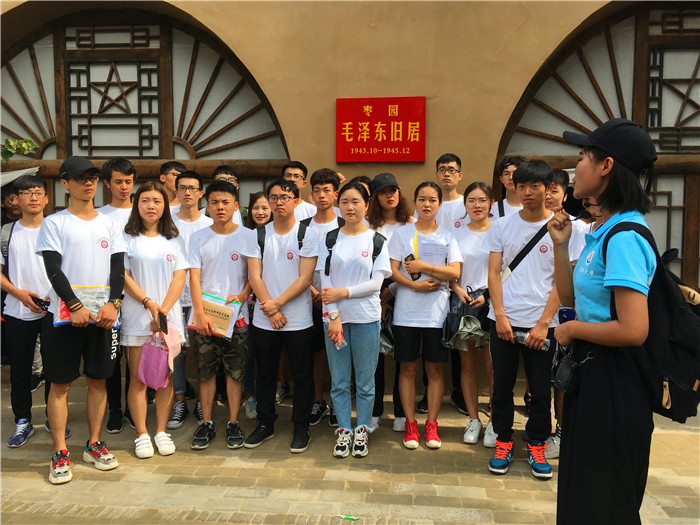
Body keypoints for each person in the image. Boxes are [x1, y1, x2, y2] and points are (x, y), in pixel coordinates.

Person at [548, 119, 658, 524]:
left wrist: (572, 329)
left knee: (604, 500)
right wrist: (561, 248)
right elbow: (571, 299)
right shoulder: (602, 230)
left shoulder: (625, 237)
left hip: (615, 383)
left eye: (582, 157)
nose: (575, 167)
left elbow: (633, 329)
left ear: (606, 166)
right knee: (583, 492)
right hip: (593, 376)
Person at [36, 156, 126, 484]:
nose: (88, 183)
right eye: (80, 178)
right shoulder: (55, 223)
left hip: (103, 316)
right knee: (60, 384)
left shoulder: (110, 223)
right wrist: (74, 305)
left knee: (98, 380)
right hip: (64, 317)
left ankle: (94, 443)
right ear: (65, 183)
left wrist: (114, 303)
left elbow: (118, 268)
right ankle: (60, 450)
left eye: (93, 178)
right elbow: (53, 269)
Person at [486, 160, 576, 480]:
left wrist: (543, 323)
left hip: (543, 324)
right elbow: (493, 273)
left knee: (540, 388)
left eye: (534, 186)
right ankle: (503, 441)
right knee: (502, 386)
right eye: (521, 185)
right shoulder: (501, 226)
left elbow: (562, 281)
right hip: (503, 321)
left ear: (549, 188)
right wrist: (500, 315)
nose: (527, 192)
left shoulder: (562, 227)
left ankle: (537, 443)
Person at [243, 178, 317, 453]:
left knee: (302, 375)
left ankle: (301, 427)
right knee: (265, 374)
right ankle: (265, 423)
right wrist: (270, 308)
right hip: (265, 320)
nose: (278, 202)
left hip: (298, 319)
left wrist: (276, 305)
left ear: (296, 201)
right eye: (273, 197)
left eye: (284, 197)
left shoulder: (307, 234)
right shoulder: (258, 235)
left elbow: (305, 278)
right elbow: (255, 276)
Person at [318, 180, 391, 457]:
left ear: (367, 205)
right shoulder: (330, 239)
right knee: (338, 381)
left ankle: (362, 429)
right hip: (334, 320)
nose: (350, 207)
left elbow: (376, 284)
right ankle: (343, 430)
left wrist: (343, 292)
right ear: (339, 205)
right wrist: (334, 315)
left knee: (365, 381)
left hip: (366, 320)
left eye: (356, 201)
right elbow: (325, 280)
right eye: (345, 202)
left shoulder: (376, 241)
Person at [388, 181, 462, 450]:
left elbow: (454, 272)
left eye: (432, 200)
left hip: (436, 314)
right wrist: (415, 285)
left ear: (439, 205)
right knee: (407, 368)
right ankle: (410, 424)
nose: (426, 204)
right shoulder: (402, 234)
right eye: (421, 199)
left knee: (434, 369)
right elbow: (392, 270)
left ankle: (431, 424)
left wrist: (424, 266)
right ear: (415, 202)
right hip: (406, 314)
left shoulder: (448, 236)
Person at [121, 181, 186, 459]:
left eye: (157, 201)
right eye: (145, 200)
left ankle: (160, 431)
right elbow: (123, 277)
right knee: (139, 378)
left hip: (167, 319)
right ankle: (141, 433)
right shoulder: (126, 238)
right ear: (137, 204)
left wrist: (163, 311)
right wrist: (149, 304)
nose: (151, 206)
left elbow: (179, 277)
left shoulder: (174, 238)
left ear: (165, 206)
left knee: (165, 377)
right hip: (138, 317)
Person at [188, 180, 254, 449]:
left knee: (234, 373)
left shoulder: (248, 236)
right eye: (214, 202)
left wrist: (243, 296)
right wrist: (200, 313)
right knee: (205, 373)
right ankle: (206, 423)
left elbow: (254, 275)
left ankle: (233, 422)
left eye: (225, 202)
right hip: (206, 317)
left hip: (237, 317)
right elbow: (193, 278)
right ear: (207, 206)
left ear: (236, 206)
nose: (220, 207)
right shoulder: (198, 238)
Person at [1, 175, 56, 447]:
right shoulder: (6, 232)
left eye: (38, 192)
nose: (33, 197)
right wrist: (18, 293)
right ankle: (23, 420)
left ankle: (54, 418)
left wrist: (55, 294)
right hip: (17, 310)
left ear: (46, 198)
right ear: (15, 199)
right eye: (26, 193)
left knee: (55, 369)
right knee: (20, 370)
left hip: (54, 309)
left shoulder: (57, 229)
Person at [542, 168, 588, 459]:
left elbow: (571, 273)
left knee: (564, 377)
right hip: (541, 313)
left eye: (554, 191)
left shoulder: (578, 228)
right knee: (549, 379)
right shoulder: (536, 222)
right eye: (545, 191)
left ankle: (562, 432)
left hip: (567, 315)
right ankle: (552, 428)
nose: (548, 196)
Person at [449, 181, 497, 447]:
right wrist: (456, 289)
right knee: (467, 366)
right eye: (471, 201)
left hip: (491, 304)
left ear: (491, 203)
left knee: (493, 366)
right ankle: (473, 419)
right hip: (464, 304)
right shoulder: (455, 233)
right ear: (465, 205)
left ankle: (494, 421)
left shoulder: (499, 231)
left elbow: (506, 270)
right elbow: (449, 270)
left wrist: (488, 295)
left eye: (482, 200)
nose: (477, 205)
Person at [165, 171, 213, 430]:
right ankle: (180, 400)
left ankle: (203, 402)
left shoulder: (209, 224)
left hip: (203, 299)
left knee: (204, 351)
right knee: (177, 352)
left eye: (192, 188)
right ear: (176, 191)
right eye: (182, 187)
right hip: (173, 298)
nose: (187, 192)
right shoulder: (166, 222)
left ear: (200, 193)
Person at [366, 172, 414, 432]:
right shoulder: (367, 225)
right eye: (383, 192)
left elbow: (412, 262)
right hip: (372, 292)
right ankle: (374, 411)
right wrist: (379, 294)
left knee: (401, 354)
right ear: (375, 197)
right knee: (374, 356)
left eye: (393, 190)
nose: (390, 196)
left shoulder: (410, 224)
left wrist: (393, 290)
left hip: (403, 291)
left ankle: (400, 411)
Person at [99, 157, 136, 435]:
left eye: (128, 181)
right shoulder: (99, 216)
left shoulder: (143, 211)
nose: (124, 187)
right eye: (118, 181)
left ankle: (133, 409)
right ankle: (114, 409)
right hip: (108, 295)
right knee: (111, 358)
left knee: (135, 357)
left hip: (138, 295)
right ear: (107, 183)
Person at [304, 169, 343, 426]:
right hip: (307, 299)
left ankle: (338, 402)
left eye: (326, 190)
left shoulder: (345, 224)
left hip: (339, 300)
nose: (321, 195)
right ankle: (318, 400)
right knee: (316, 353)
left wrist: (330, 295)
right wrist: (312, 291)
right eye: (317, 190)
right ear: (311, 194)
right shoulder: (302, 227)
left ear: (335, 194)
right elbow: (296, 265)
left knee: (339, 351)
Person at [241, 192, 273, 420]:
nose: (260, 212)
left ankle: (268, 395)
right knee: (248, 352)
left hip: (272, 303)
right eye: (256, 208)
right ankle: (249, 396)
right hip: (248, 305)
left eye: (265, 207)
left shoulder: (278, 234)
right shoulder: (246, 235)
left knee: (267, 355)